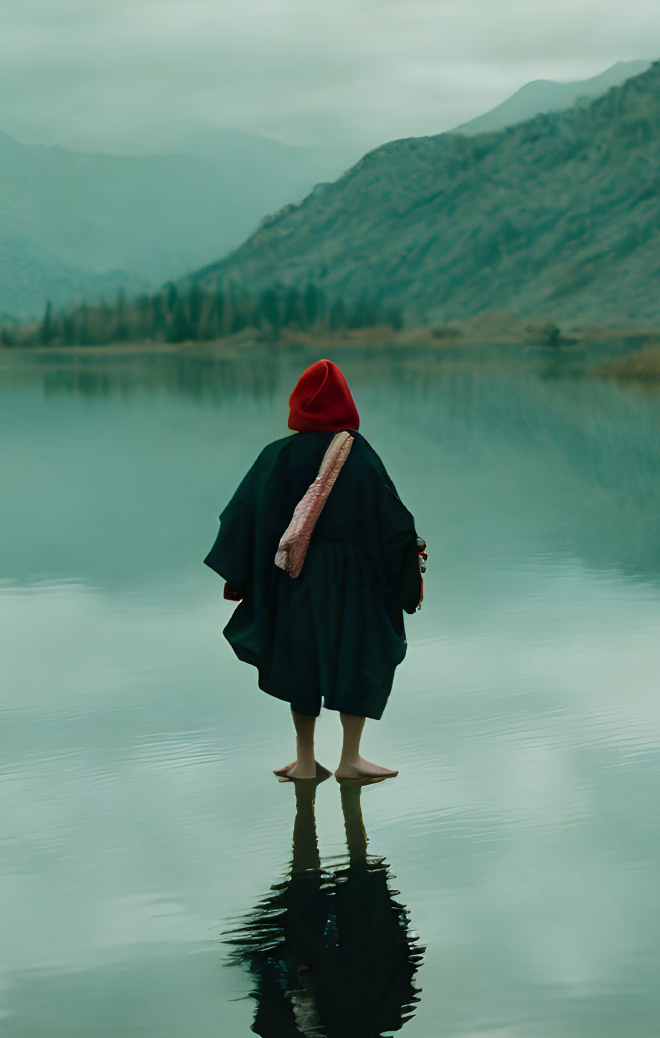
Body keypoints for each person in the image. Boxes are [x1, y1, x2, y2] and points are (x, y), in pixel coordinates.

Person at [206, 359, 424, 782]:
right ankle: (351, 760)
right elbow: (393, 522)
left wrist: (243, 578)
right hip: (354, 581)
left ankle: (306, 763)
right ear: (345, 401)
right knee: (357, 659)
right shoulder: (356, 452)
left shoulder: (275, 456)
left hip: (291, 577)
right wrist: (403, 573)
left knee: (299, 661)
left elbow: (239, 520)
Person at [223, 777, 423, 1036]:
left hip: (326, 956)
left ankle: (312, 787)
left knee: (313, 879)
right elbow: (400, 970)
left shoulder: (384, 1015)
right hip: (344, 957)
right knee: (326, 880)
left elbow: (402, 970)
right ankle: (318, 789)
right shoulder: (384, 1016)